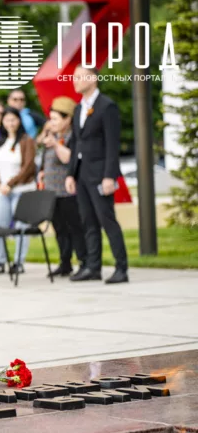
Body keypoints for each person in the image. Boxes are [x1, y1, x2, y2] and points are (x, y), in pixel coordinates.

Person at [66, 66, 129, 284]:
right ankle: (93, 267)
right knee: (88, 221)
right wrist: (70, 174)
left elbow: (112, 144)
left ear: (93, 79)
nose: (75, 81)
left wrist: (109, 176)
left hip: (101, 173)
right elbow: (75, 143)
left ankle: (121, 268)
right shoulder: (78, 109)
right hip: (82, 174)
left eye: (79, 77)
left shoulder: (106, 106)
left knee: (107, 220)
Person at [37, 97, 87, 277]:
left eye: (56, 119)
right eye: (51, 118)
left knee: (75, 228)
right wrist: (42, 171)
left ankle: (84, 261)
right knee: (59, 229)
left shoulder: (72, 137)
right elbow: (43, 157)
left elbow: (69, 158)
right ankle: (65, 263)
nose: (52, 122)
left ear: (68, 119)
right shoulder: (52, 137)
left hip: (68, 192)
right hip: (51, 192)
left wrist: (56, 145)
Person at [0, 107, 37, 275]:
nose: (10, 123)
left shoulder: (26, 140)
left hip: (21, 190)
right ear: (2, 122)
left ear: (19, 121)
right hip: (2, 191)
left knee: (21, 227)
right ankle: (0, 261)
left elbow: (27, 166)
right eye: (7, 119)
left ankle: (18, 262)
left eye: (13, 119)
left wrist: (10, 183)